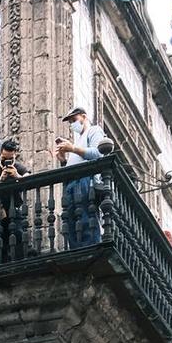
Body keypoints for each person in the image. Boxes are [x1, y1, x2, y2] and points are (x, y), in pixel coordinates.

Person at [56, 107, 105, 250]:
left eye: (74, 120)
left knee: (86, 218)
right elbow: (72, 166)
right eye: (70, 122)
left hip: (86, 181)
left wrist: (72, 149)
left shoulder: (94, 130)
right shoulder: (77, 141)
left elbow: (98, 153)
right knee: (73, 219)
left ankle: (92, 248)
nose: (72, 124)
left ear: (84, 117)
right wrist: (63, 160)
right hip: (72, 184)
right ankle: (77, 248)